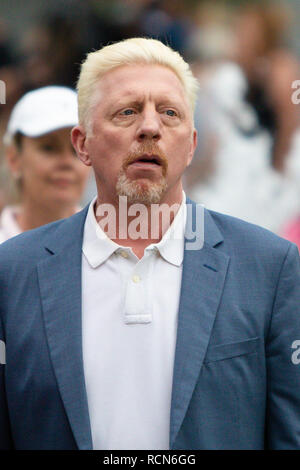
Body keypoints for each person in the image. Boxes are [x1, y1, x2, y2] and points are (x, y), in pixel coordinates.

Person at [0, 38, 299, 450]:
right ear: (82, 143)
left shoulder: (268, 266)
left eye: (169, 113)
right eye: (127, 111)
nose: (150, 127)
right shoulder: (12, 271)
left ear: (192, 145)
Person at [0, 86, 90, 242]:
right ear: (14, 159)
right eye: (49, 148)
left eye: (76, 149)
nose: (66, 162)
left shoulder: (110, 248)